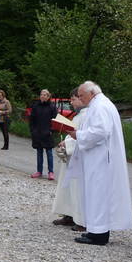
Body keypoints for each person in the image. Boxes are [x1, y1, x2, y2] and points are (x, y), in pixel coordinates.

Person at [65, 81, 132, 246]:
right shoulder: (100, 104)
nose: (80, 99)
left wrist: (78, 135)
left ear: (91, 93)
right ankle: (95, 230)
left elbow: (101, 131)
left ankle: (99, 234)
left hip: (101, 160)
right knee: (96, 194)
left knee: (98, 194)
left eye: (81, 95)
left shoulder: (100, 106)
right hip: (100, 158)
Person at [52, 88, 85, 230]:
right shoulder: (78, 115)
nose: (71, 103)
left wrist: (68, 143)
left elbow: (84, 135)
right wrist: (66, 141)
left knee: (77, 188)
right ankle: (69, 214)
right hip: (71, 157)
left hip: (79, 159)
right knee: (67, 187)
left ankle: (80, 218)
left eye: (73, 99)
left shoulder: (88, 115)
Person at [29, 89, 58, 180]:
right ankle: (39, 171)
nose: (43, 96)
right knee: (39, 152)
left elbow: (55, 120)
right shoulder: (35, 106)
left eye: (45, 95)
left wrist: (51, 131)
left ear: (48, 96)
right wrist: (33, 131)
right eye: (41, 94)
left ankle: (51, 172)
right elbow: (32, 119)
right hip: (37, 133)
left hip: (48, 133)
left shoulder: (52, 107)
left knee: (49, 153)